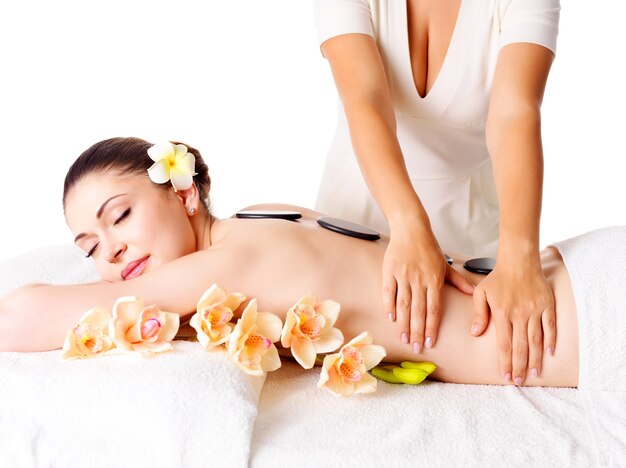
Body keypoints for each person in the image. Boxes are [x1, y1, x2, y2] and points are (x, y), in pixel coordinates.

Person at [3, 136, 623, 389]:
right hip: (577, 272)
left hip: (582, 320)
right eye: (87, 248)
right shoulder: (264, 214)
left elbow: (30, 315)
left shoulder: (223, 269)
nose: (108, 253)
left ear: (183, 192)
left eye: (119, 216)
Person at [313, 0, 561, 383]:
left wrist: (520, 257)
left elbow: (515, 111)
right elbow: (365, 99)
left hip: (471, 243)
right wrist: (409, 226)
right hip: (357, 221)